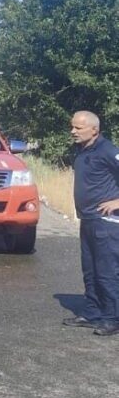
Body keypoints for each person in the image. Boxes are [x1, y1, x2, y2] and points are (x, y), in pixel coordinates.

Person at [66, 110, 119, 336]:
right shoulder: (82, 150)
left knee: (106, 271)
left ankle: (112, 318)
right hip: (87, 220)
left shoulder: (108, 150)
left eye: (78, 128)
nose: (73, 132)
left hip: (105, 222)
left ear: (94, 129)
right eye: (72, 127)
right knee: (90, 270)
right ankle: (92, 313)